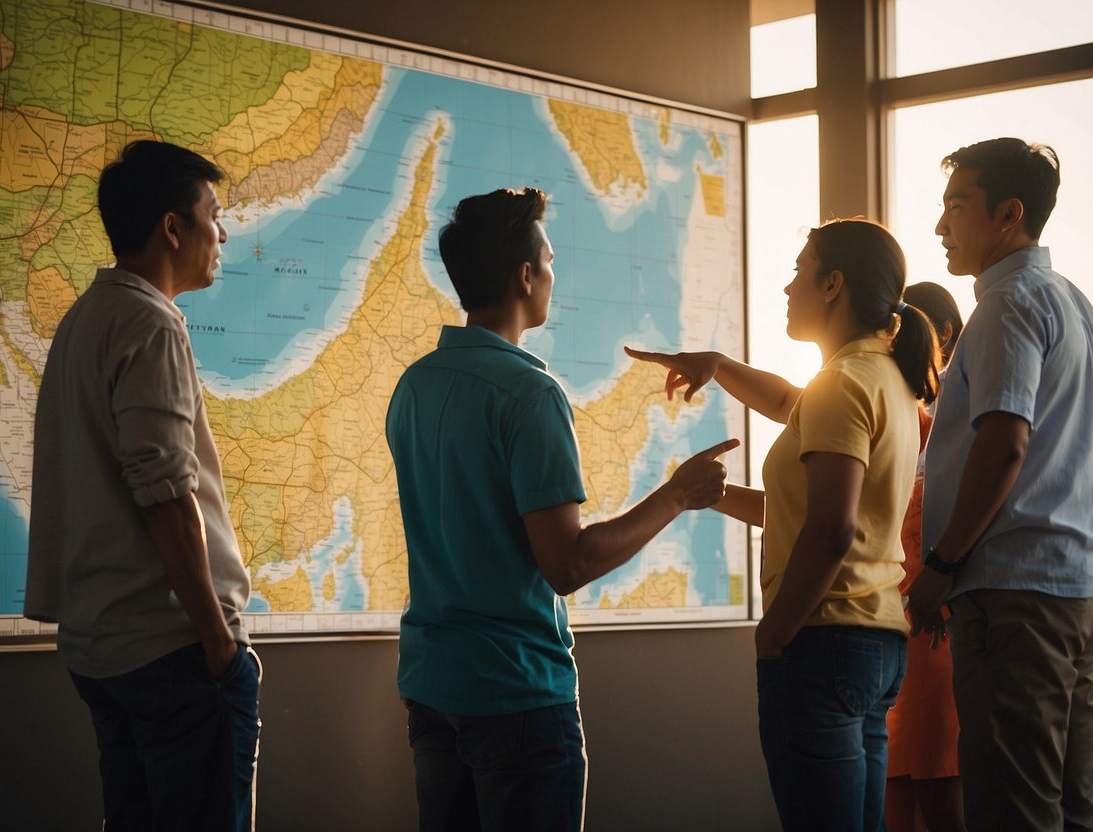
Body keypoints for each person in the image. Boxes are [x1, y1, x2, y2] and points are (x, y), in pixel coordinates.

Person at [385, 186, 737, 832]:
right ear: (524, 276)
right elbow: (567, 564)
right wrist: (678, 494)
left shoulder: (413, 386)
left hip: (432, 688)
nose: (552, 273)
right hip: (515, 697)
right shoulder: (528, 394)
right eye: (548, 261)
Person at [628, 218, 939, 831]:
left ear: (833, 284)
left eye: (799, 271)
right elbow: (793, 455)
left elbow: (830, 529)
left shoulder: (841, 384)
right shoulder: (884, 379)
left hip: (823, 640)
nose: (787, 287)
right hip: (876, 643)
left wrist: (774, 632)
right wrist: (716, 372)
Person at [26, 140, 260, 831]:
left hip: (104, 650)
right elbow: (164, 492)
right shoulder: (148, 322)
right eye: (213, 215)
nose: (221, 233)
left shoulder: (84, 319)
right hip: (171, 649)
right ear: (171, 227)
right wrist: (217, 641)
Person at [908, 138, 1093, 832]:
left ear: (1008, 215)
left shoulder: (1006, 304)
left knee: (1011, 811)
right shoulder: (1073, 302)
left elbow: (1002, 445)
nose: (940, 226)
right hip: (1077, 586)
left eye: (955, 207)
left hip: (1015, 591)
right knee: (1072, 806)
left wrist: (939, 563)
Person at [885, 281, 966, 832]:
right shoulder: (894, 413)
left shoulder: (955, 425)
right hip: (889, 624)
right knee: (891, 796)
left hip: (933, 622)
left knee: (938, 792)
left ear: (942, 336)